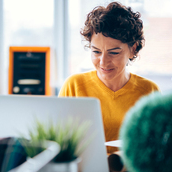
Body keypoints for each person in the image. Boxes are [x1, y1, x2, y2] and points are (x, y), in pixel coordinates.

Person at [58, 2, 160, 153]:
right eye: (96, 52)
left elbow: (156, 148)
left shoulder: (149, 91)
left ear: (133, 49)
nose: (103, 62)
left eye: (114, 52)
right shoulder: (74, 86)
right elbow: (58, 141)